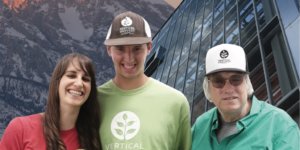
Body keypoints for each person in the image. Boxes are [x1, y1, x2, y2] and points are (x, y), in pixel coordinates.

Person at [98, 11, 191, 150]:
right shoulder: (92, 102)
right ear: (109, 50)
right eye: (120, 49)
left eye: (137, 49)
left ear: (149, 47)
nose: (129, 58)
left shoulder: (176, 102)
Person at [191, 43, 300, 150]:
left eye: (236, 79)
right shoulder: (200, 126)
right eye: (218, 81)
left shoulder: (279, 124)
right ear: (208, 88)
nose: (228, 89)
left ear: (247, 83)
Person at [0, 53, 102, 150]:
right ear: (57, 82)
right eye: (71, 75)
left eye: (85, 79)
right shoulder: (20, 128)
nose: (79, 83)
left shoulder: (93, 138)